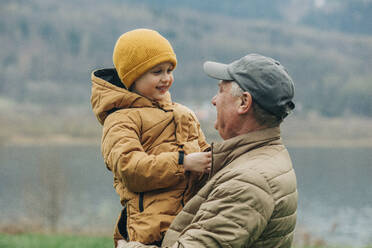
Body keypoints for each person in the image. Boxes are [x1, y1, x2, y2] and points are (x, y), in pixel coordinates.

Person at [121, 53, 298, 248]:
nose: (214, 100)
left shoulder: (248, 183)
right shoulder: (264, 158)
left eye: (221, 91)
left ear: (244, 103)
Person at [90, 29, 211, 247]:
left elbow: (205, 156)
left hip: (190, 225)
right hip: (151, 232)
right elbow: (129, 169)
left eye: (169, 70)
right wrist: (184, 162)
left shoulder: (183, 113)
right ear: (133, 76)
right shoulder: (120, 120)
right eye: (157, 72)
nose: (166, 78)